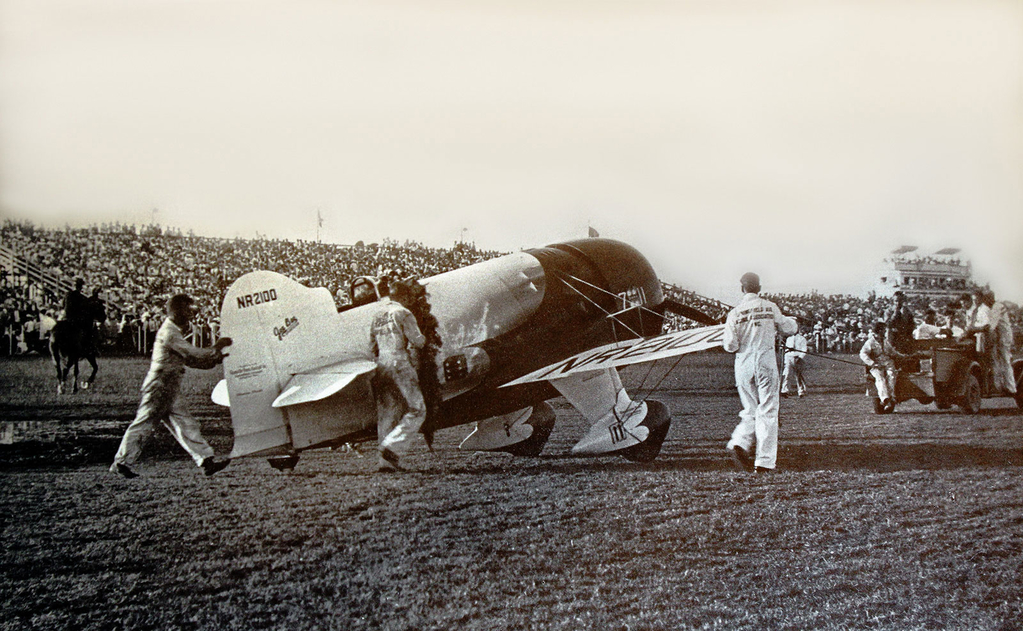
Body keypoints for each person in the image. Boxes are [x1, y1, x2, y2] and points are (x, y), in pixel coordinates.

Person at [110, 293, 233, 479]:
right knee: (146, 424)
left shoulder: (172, 331)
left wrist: (214, 358)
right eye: (186, 310)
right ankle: (121, 462)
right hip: (160, 385)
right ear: (177, 311)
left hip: (166, 386)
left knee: (185, 424)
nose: (189, 315)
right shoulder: (169, 332)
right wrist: (216, 347)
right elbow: (194, 354)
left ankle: (206, 461)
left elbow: (190, 359)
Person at [724, 272, 797, 474]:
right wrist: (794, 323)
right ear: (760, 287)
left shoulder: (735, 313)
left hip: (744, 363)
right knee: (768, 410)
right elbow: (788, 328)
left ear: (742, 288)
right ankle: (764, 462)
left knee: (750, 408)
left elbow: (730, 345)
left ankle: (739, 441)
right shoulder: (770, 306)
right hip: (765, 362)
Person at [370, 279, 427, 471]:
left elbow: (372, 345)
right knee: (417, 409)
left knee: (388, 413)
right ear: (402, 296)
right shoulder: (403, 312)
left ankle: (385, 463)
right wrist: (424, 338)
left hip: (382, 364)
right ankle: (392, 448)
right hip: (400, 362)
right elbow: (417, 341)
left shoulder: (377, 315)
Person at [860, 321, 904, 412]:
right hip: (876, 366)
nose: (885, 331)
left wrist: (903, 356)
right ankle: (885, 399)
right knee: (880, 378)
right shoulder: (870, 342)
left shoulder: (885, 341)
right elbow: (863, 354)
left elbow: (892, 352)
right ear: (879, 330)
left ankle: (890, 398)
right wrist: (872, 363)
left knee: (891, 376)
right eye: (884, 329)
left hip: (888, 363)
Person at [986, 290, 1017, 396]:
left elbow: (991, 327)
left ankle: (1011, 387)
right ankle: (999, 385)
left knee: (1005, 360)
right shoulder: (993, 307)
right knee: (996, 361)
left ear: (990, 298)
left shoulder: (996, 307)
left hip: (1004, 337)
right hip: (999, 337)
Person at [780, 320, 808, 398]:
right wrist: (786, 358)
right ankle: (785, 390)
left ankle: (801, 391)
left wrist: (800, 357)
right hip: (789, 357)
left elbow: (804, 349)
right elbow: (786, 350)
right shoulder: (789, 338)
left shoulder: (802, 338)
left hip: (797, 357)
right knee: (787, 374)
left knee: (798, 375)